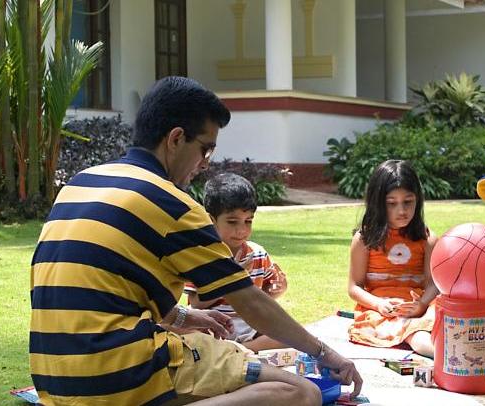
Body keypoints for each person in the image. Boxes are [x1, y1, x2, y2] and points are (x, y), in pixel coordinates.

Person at [29, 76, 362, 406]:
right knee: (300, 393)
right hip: (117, 377)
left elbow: (103, 291)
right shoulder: (171, 204)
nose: (205, 164)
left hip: (54, 378)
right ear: (176, 139)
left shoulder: (80, 183)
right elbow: (251, 303)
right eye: (206, 149)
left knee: (219, 356)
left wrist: (181, 318)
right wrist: (324, 351)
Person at [185, 172, 289, 352]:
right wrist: (228, 280)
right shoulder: (202, 256)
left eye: (248, 221)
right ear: (211, 220)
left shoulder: (257, 254)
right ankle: (234, 351)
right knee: (183, 332)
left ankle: (238, 349)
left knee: (287, 334)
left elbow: (268, 293)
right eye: (232, 222)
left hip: (249, 326)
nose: (241, 230)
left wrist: (276, 290)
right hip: (211, 326)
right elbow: (195, 303)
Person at [347, 160, 439, 358]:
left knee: (445, 313)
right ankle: (441, 353)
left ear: (418, 200)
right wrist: (379, 304)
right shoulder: (364, 239)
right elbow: (354, 287)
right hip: (380, 309)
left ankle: (437, 343)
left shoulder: (427, 238)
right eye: (391, 203)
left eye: (408, 202)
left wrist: (422, 304)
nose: (402, 211)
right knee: (413, 332)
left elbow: (434, 284)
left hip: (419, 306)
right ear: (378, 203)